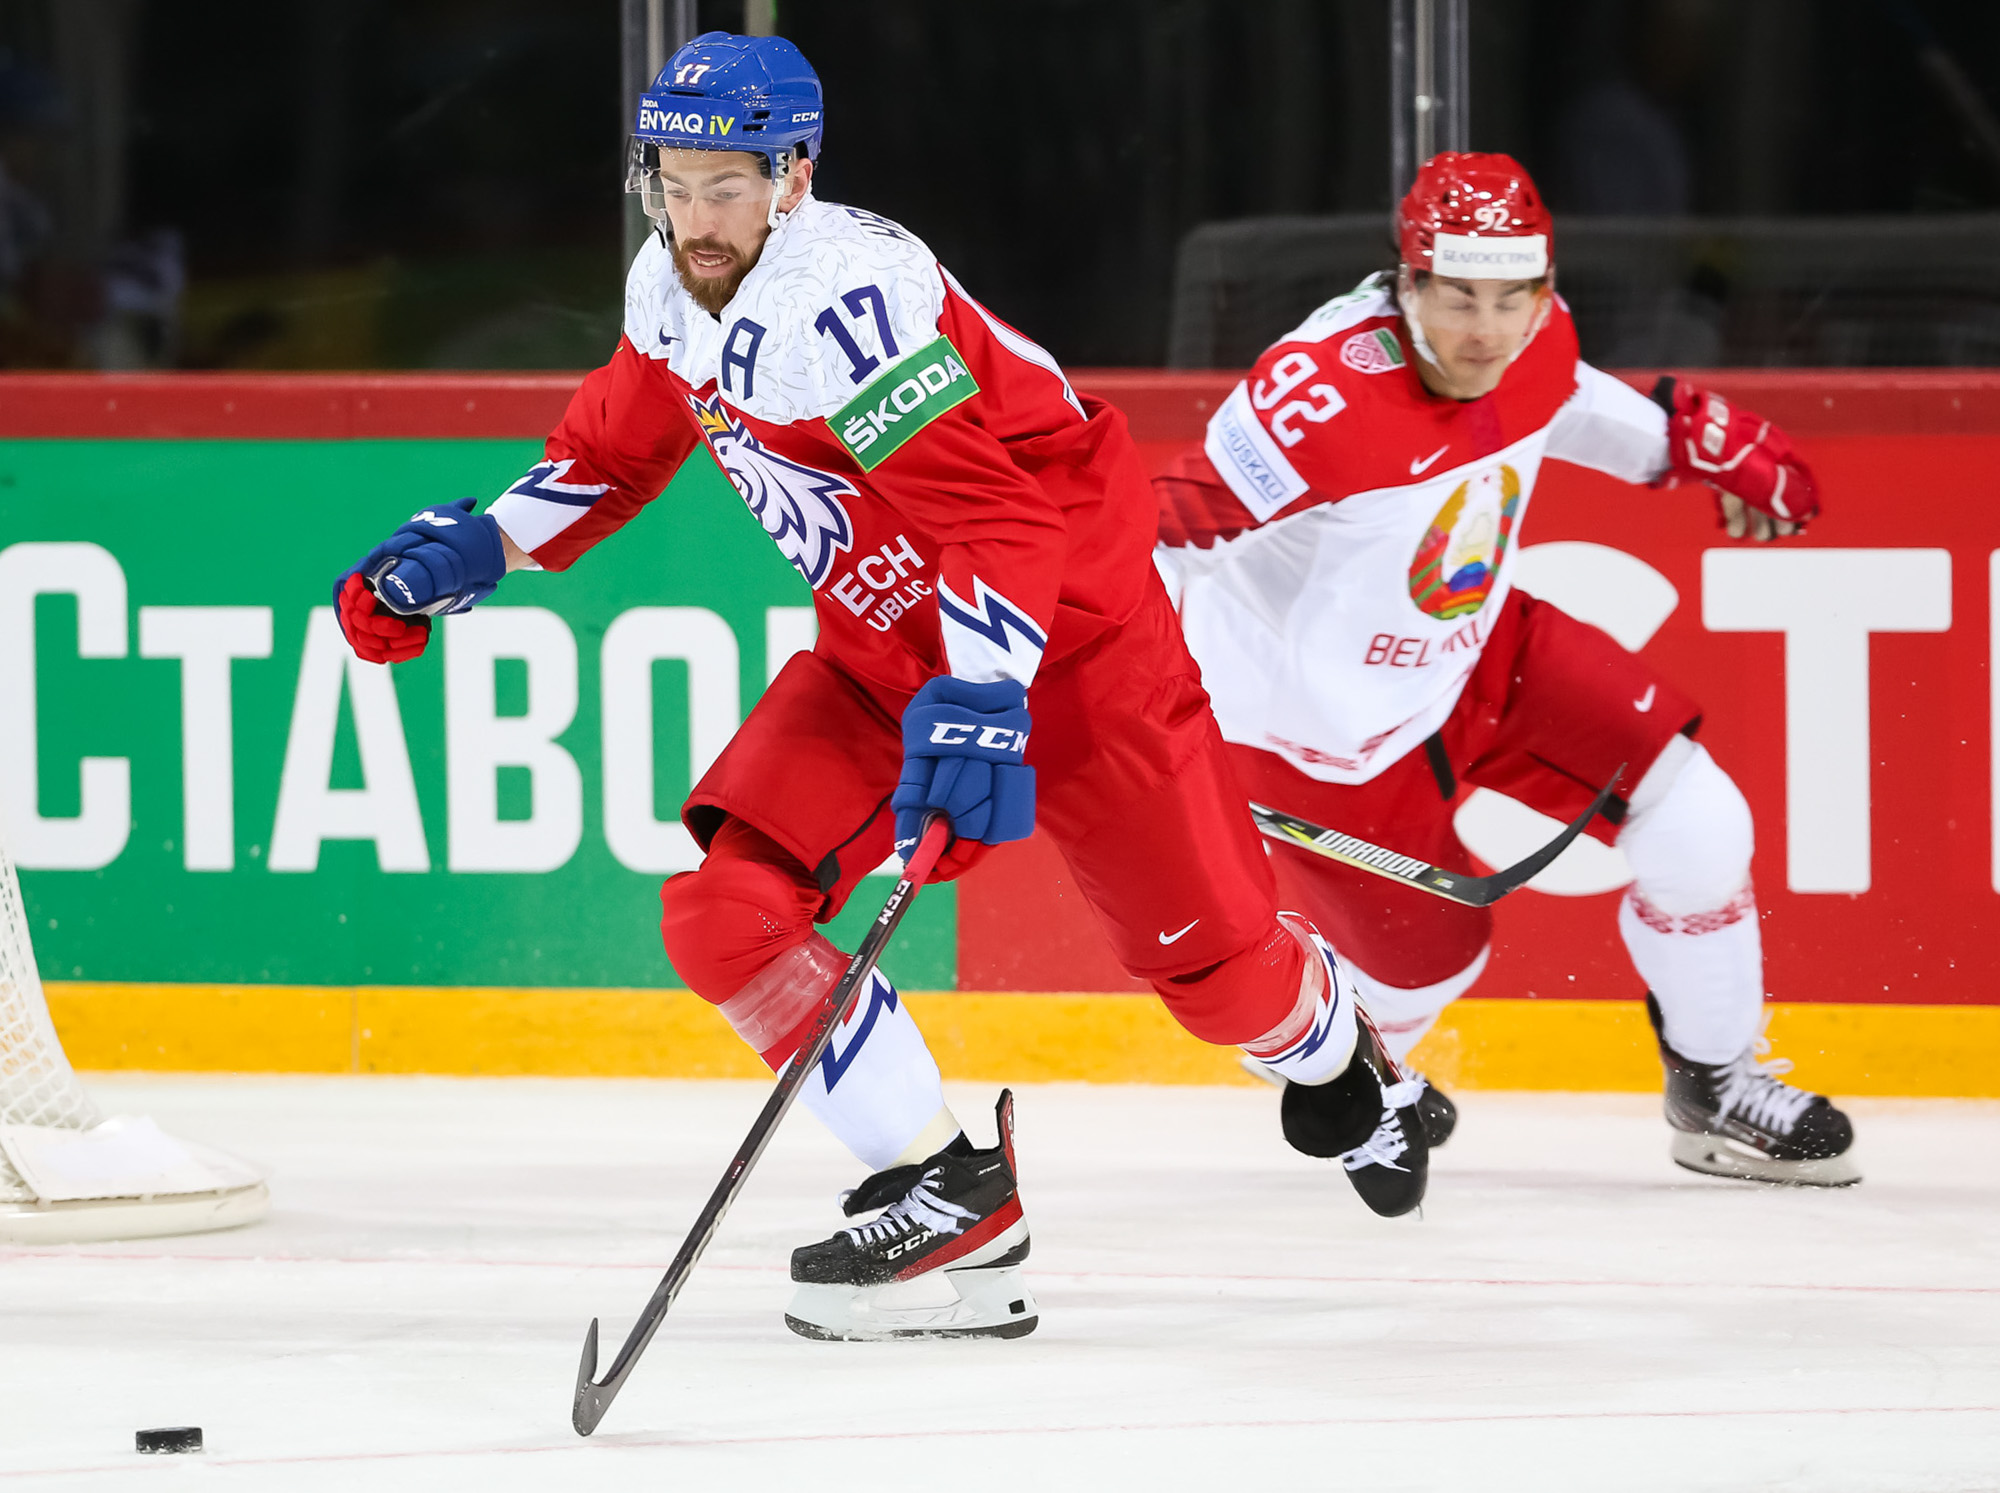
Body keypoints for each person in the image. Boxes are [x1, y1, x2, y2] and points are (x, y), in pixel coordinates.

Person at [331, 33, 1430, 1342]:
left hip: (1073, 654)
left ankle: (1339, 1050)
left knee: (1218, 981)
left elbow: (1005, 525)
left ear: (793, 177)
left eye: (725, 182)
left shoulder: (841, 301)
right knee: (726, 915)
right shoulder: (670, 287)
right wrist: (477, 549)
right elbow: (611, 450)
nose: (695, 215)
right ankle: (950, 1194)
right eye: (670, 181)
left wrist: (980, 696)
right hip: (873, 655)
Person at [1154, 152, 1858, 1188]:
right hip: (1320, 737)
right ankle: (1346, 1060)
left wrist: (1678, 441)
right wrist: (1088, 691)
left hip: (1476, 648)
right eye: (1455, 297)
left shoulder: (1536, 331)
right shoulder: (1311, 401)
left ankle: (1712, 1086)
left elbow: (1555, 395)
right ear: (1405, 283)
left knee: (1699, 819)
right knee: (1433, 968)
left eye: (1510, 296)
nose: (1484, 329)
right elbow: (1161, 535)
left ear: (1540, 286)